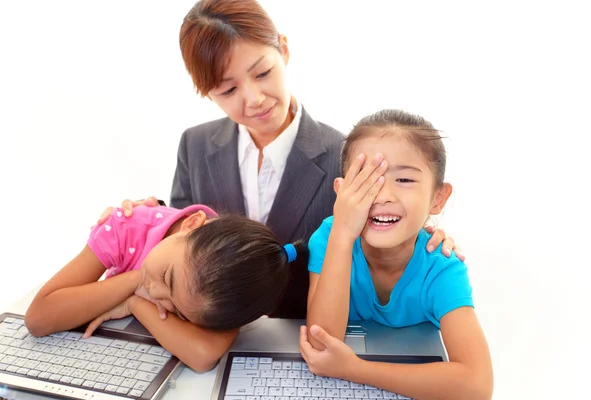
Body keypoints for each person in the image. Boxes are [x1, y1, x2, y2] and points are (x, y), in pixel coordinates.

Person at [98, 0, 461, 319]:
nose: (254, 98)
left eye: (263, 73)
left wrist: (423, 238)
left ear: (283, 50)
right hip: (210, 335)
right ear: (206, 93)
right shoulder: (194, 146)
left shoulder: (345, 156)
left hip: (305, 332)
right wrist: (147, 218)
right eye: (228, 89)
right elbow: (179, 241)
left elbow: (382, 228)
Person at [300, 110, 493, 400]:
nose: (383, 195)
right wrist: (342, 231)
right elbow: (322, 342)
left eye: (404, 179)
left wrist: (355, 368)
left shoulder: (441, 268)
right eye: (366, 179)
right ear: (341, 193)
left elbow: (477, 387)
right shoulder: (330, 238)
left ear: (438, 198)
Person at [25, 204, 306, 372]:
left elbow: (203, 356)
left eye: (177, 308)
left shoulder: (228, 282)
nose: (157, 293)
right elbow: (38, 319)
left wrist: (134, 303)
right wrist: (134, 281)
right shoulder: (126, 227)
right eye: (167, 277)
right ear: (191, 224)